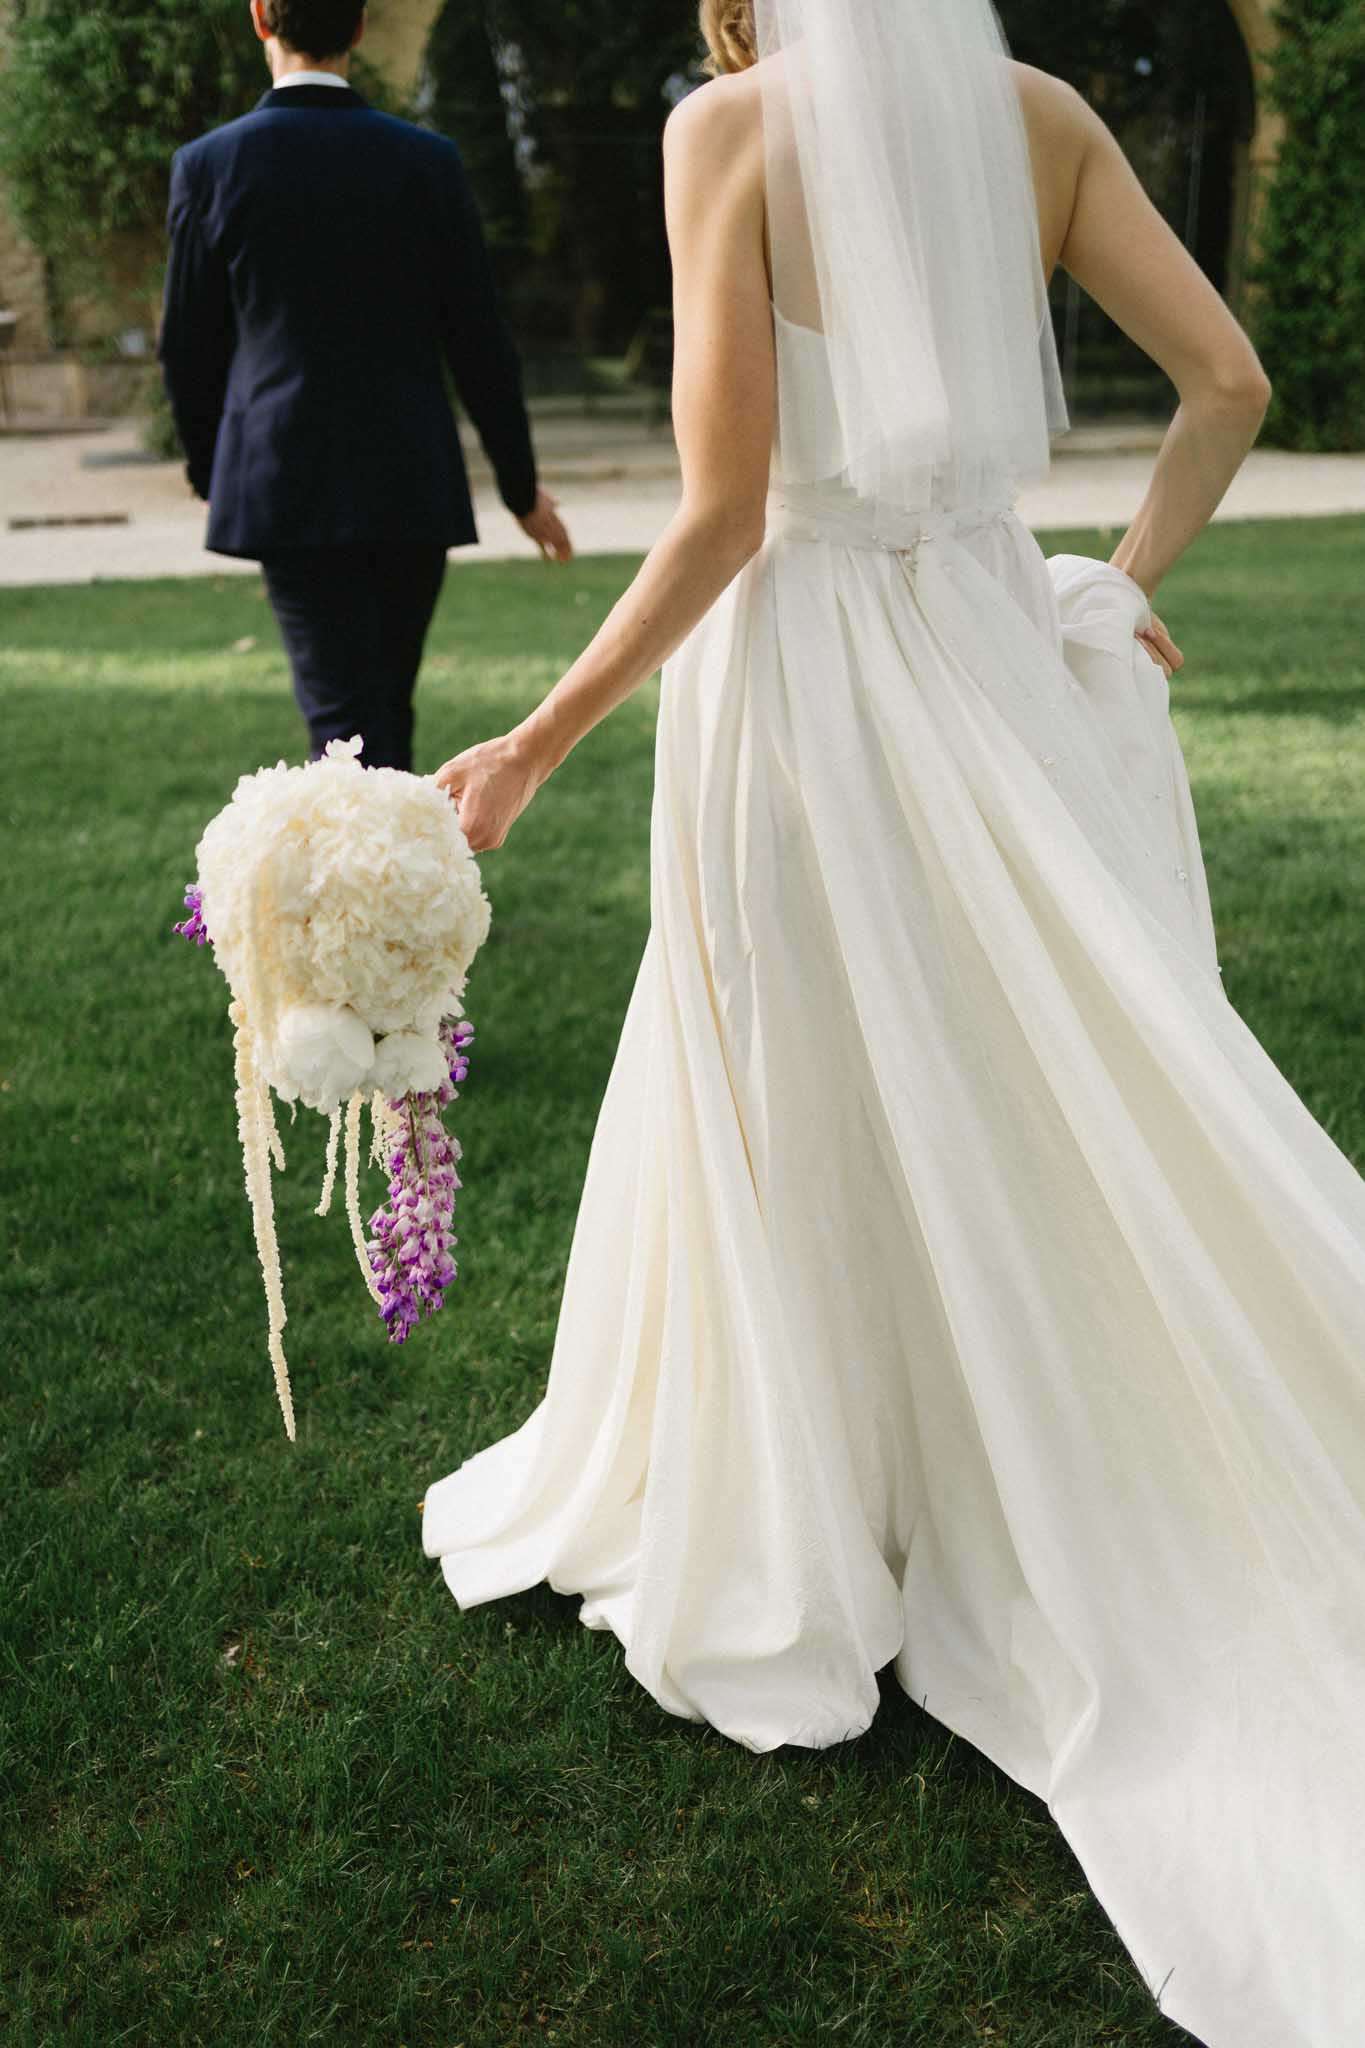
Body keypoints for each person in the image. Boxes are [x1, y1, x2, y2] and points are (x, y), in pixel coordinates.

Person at [422, 2, 1365, 2042]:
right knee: (1017, 1079)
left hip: (805, 692)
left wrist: (535, 739)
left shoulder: (725, 133)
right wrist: (1106, 579)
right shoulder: (1035, 118)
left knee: (807, 1073)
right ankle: (1013, 1433)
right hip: (986, 644)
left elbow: (722, 512)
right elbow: (1227, 382)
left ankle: (844, 1482)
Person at [157, 0, 571, 773]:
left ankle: (370, 891)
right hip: (409, 479)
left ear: (259, 20)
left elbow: (187, 346)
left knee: (342, 724)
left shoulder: (211, 165)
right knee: (384, 713)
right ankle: (397, 886)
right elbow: (480, 343)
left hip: (285, 483)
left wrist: (207, 468)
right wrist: (520, 489)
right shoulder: (426, 160)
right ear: (356, 28)